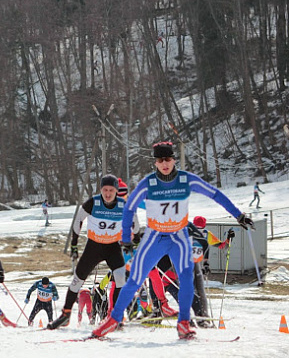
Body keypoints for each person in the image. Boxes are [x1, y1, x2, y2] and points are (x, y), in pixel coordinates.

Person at [93, 142, 253, 340]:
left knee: (186, 278)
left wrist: (239, 216)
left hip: (179, 237)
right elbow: (129, 208)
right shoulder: (149, 183)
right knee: (135, 279)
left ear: (173, 159)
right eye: (160, 160)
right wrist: (126, 239)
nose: (164, 164)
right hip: (155, 237)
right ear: (155, 163)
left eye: (168, 159)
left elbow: (214, 194)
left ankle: (183, 323)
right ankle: (112, 320)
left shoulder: (185, 179)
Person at [48, 174, 138, 329]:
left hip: (112, 247)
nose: (108, 194)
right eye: (105, 190)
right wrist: (74, 245)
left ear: (116, 191)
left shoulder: (124, 205)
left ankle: (116, 318)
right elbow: (78, 220)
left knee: (120, 279)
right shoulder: (93, 203)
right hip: (94, 247)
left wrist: (130, 239)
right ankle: (65, 315)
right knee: (77, 281)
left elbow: (135, 225)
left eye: (111, 190)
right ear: (100, 190)